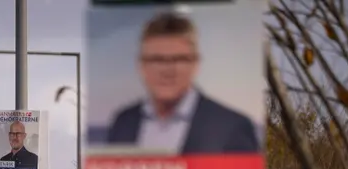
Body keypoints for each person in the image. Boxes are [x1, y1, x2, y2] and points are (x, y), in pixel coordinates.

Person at [105, 12, 259, 154]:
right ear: (141, 65)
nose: (167, 70)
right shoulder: (122, 122)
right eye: (157, 59)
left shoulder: (232, 127)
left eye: (178, 59)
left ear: (195, 63)